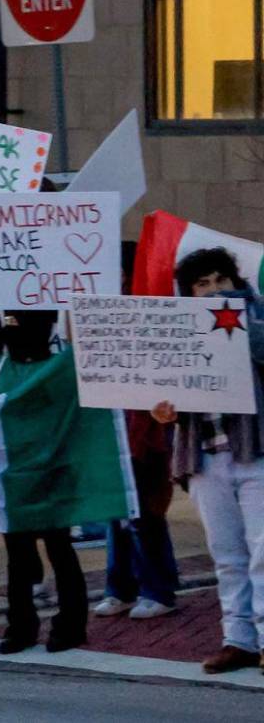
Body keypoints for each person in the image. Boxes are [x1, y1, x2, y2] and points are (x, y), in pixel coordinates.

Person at [151, 247, 264, 675]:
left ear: (236, 281)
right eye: (202, 284)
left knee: (263, 550)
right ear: (188, 292)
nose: (214, 290)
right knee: (227, 553)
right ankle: (238, 640)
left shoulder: (258, 317)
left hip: (255, 452)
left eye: (221, 280)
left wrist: (237, 327)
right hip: (205, 456)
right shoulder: (179, 331)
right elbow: (163, 390)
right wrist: (162, 411)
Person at [0, 311, 88, 655]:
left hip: (53, 473)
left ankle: (70, 624)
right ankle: (21, 624)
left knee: (59, 549)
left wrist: (76, 308)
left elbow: (87, 354)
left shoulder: (60, 366)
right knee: (19, 555)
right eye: (10, 321)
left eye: (19, 322)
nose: (11, 329)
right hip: (14, 476)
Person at [96, 241, 180, 621]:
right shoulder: (100, 309)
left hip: (144, 431)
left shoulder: (146, 310)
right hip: (113, 426)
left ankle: (158, 589)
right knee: (115, 512)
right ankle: (121, 588)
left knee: (144, 514)